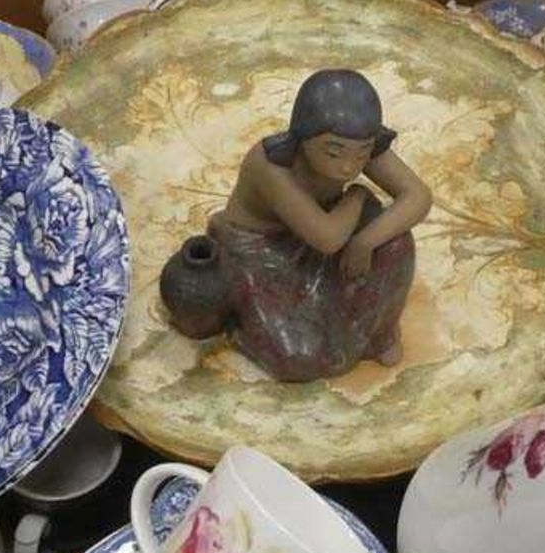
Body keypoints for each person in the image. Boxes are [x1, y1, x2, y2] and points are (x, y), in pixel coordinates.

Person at [167, 69, 432, 382]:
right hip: (259, 253)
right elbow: (328, 238)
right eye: (333, 151)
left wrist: (366, 241)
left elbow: (418, 196)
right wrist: (358, 195)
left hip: (326, 230)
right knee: (298, 357)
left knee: (395, 242)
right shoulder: (271, 164)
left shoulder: (358, 147)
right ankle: (250, 324)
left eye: (362, 154)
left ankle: (377, 335)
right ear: (304, 138)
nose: (349, 166)